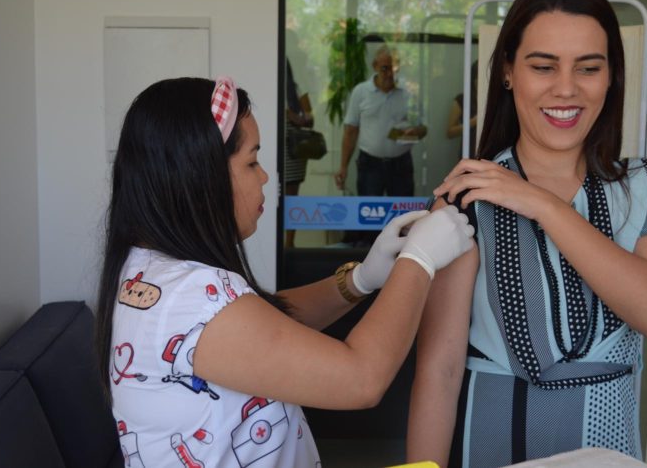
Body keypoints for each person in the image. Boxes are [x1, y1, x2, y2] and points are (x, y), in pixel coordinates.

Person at [95, 76, 475, 468]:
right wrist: (418, 261)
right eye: (251, 162)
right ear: (199, 176)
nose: (264, 176)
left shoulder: (152, 270)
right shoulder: (189, 298)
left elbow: (262, 326)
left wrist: (360, 279)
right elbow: (361, 378)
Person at [406, 0, 647, 468]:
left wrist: (544, 204)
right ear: (508, 71)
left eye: (588, 68)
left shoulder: (646, 186)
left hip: (606, 451)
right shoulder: (468, 196)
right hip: (491, 443)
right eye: (543, 66)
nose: (566, 88)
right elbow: (439, 370)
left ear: (612, 76)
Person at [334, 44, 427, 246]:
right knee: (369, 217)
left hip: (401, 164)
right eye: (385, 68)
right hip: (370, 163)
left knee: (403, 218)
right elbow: (350, 131)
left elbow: (423, 128)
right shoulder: (361, 92)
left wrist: (415, 131)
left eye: (394, 68)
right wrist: (343, 166)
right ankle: (369, 258)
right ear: (375, 66)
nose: (390, 73)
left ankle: (401, 258)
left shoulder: (407, 93)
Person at [284, 58, 313, 248]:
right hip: (273, 149)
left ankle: (289, 243)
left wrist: (291, 115)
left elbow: (310, 119)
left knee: (291, 198)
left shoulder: (297, 90)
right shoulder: (267, 86)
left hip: (293, 151)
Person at [446, 61, 479, 158]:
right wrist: (473, 122)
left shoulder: (495, 100)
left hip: (491, 155)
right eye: (479, 78)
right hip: (469, 154)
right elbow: (450, 132)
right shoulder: (463, 99)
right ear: (474, 80)